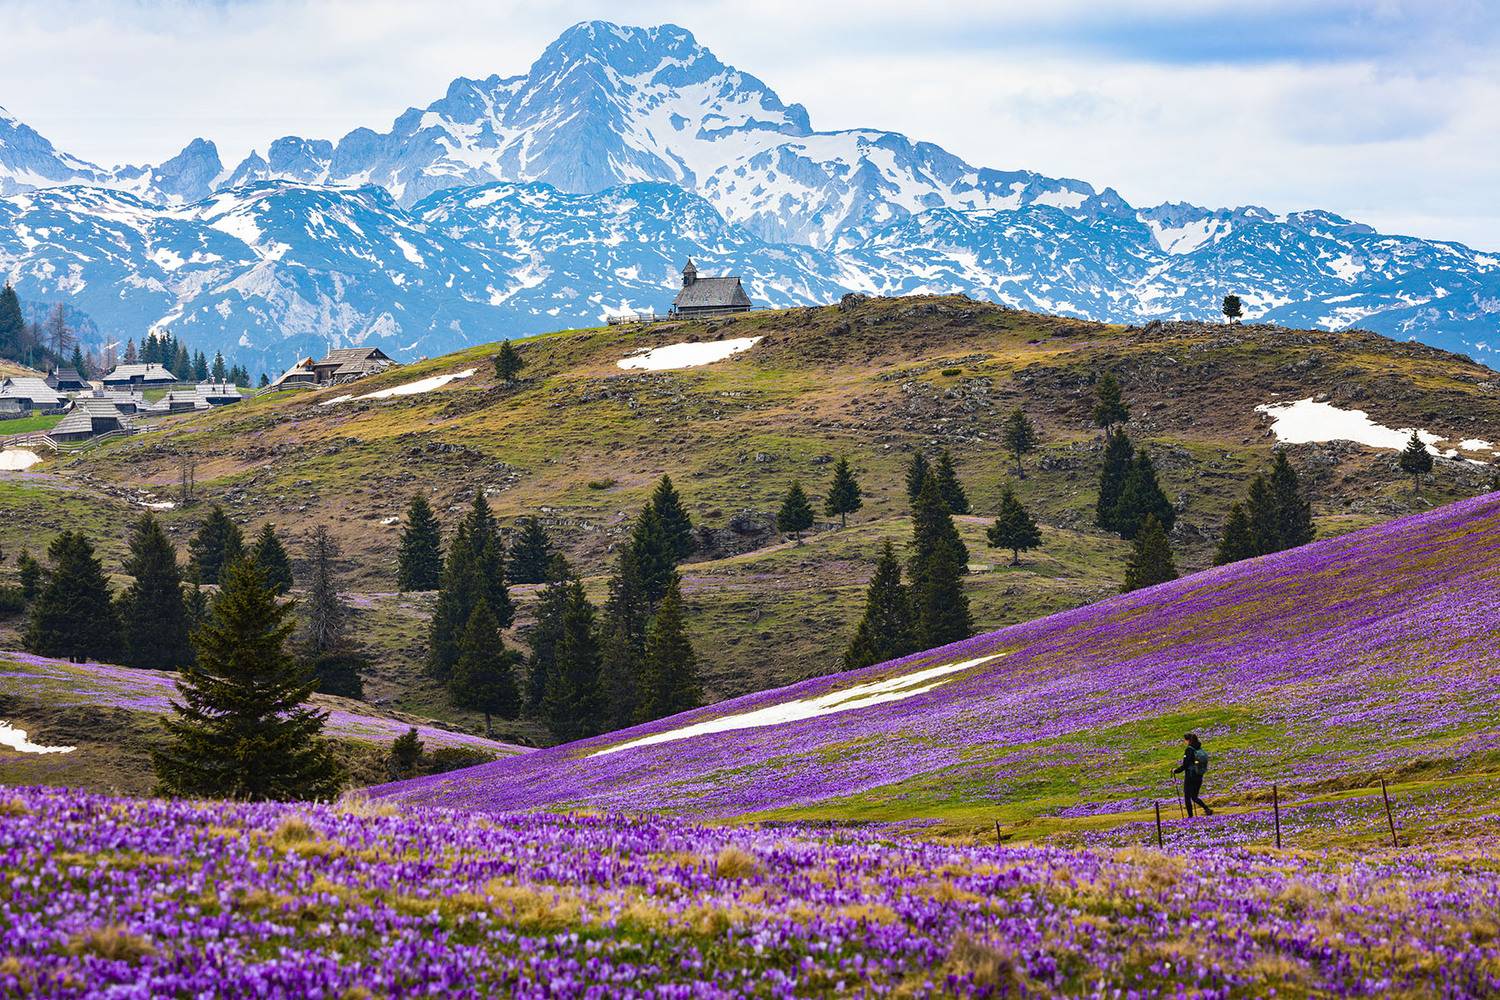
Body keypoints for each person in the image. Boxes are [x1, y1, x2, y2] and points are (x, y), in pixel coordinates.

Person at [1173, 733, 1214, 817]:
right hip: (1199, 775)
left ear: (1188, 740)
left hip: (1190, 776)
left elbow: (1185, 765)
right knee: (1194, 797)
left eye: (1185, 740)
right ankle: (1206, 809)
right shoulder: (1199, 748)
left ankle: (1190, 816)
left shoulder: (1189, 750)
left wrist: (1175, 771)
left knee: (1187, 796)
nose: (1184, 741)